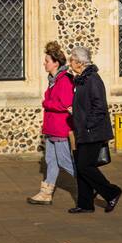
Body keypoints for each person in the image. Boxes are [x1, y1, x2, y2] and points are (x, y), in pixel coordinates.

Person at [67, 43, 122, 214]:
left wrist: (88, 125)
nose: (70, 64)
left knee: (85, 166)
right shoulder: (82, 79)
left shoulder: (93, 79)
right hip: (84, 131)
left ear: (80, 62)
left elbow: (100, 107)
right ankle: (85, 204)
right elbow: (85, 105)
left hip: (93, 132)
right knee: (81, 167)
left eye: (72, 60)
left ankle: (112, 192)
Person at [27, 41, 76, 206]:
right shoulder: (53, 80)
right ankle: (45, 193)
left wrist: (46, 103)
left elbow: (66, 104)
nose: (44, 63)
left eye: (47, 60)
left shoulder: (64, 80)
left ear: (56, 63)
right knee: (50, 161)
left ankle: (89, 184)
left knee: (65, 161)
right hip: (51, 128)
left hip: (60, 129)